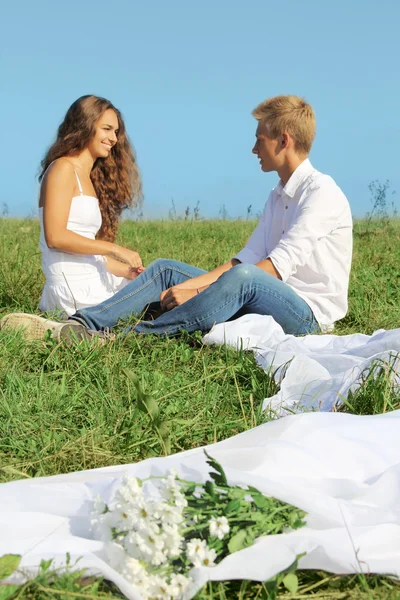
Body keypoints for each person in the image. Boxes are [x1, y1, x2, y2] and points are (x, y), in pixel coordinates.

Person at [1, 95, 352, 342]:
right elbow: (242, 260)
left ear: (284, 140)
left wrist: (199, 289)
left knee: (243, 277)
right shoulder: (278, 195)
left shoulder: (321, 194)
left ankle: (122, 339)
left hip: (306, 314)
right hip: (263, 291)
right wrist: (186, 285)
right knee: (167, 269)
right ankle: (80, 325)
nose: (254, 149)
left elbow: (274, 267)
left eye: (260, 139)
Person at [36, 95, 143, 317]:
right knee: (164, 280)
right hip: (73, 286)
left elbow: (89, 255)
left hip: (92, 278)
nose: (113, 138)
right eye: (106, 129)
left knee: (161, 285)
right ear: (85, 125)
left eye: (116, 132)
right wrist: (114, 248)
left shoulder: (87, 177)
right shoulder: (62, 169)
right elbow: (55, 237)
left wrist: (127, 272)